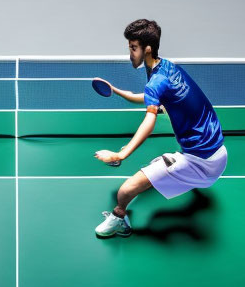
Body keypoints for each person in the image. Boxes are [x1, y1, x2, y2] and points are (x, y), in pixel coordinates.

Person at [93, 19, 227, 237]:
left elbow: (149, 120)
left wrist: (121, 153)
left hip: (201, 163)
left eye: (133, 48)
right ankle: (175, 175)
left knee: (124, 192)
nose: (130, 54)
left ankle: (119, 219)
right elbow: (149, 96)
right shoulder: (168, 67)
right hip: (217, 151)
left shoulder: (156, 82)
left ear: (147, 48)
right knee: (158, 166)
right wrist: (117, 91)